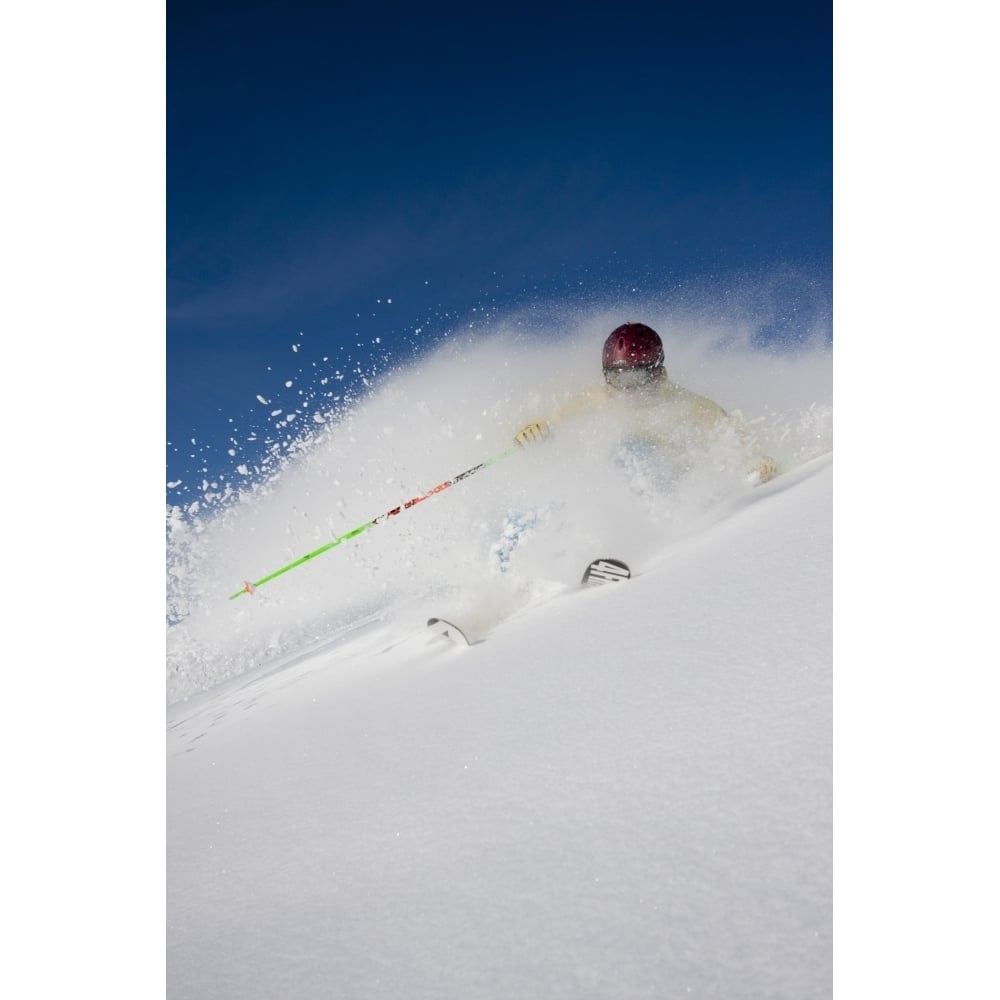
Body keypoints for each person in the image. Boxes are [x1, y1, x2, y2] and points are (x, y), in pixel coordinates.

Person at [513, 322, 777, 484]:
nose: (628, 389)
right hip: (607, 492)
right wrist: (532, 434)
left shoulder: (690, 405)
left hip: (666, 495)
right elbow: (552, 429)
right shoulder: (596, 399)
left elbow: (741, 444)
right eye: (618, 379)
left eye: (636, 377)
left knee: (634, 450)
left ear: (659, 373)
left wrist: (758, 464)